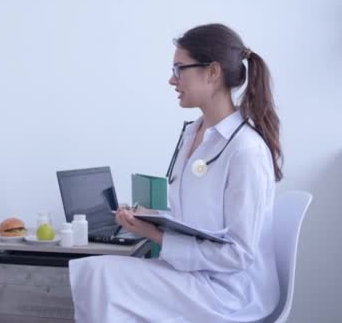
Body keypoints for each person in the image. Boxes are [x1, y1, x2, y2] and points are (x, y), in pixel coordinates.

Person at [69, 23, 283, 323]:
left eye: (179, 68)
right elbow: (198, 217)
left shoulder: (245, 150)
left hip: (229, 291)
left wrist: (155, 234)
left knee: (101, 275)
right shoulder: (193, 134)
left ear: (213, 72)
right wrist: (149, 217)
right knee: (97, 272)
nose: (172, 79)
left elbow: (239, 254)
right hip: (194, 274)